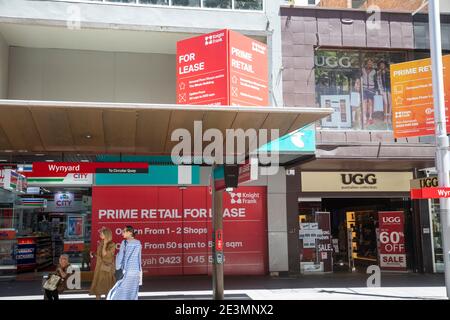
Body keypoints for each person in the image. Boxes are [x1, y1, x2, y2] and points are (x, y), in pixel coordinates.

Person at [107, 226, 142, 300]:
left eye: (124, 231)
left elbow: (120, 256)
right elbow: (139, 258)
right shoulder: (138, 243)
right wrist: (140, 271)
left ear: (130, 232)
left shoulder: (124, 243)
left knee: (121, 288)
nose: (122, 233)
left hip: (127, 270)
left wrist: (118, 267)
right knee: (133, 290)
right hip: (135, 271)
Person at [89, 227, 116, 300]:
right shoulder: (101, 242)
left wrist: (105, 244)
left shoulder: (112, 244)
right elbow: (100, 255)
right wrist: (93, 254)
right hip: (99, 268)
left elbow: (105, 254)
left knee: (107, 287)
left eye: (102, 233)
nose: (100, 234)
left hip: (106, 269)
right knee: (97, 287)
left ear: (106, 235)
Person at [361, 58, 378, 126]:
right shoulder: (362, 70)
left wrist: (376, 89)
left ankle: (370, 117)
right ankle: (364, 117)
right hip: (364, 88)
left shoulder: (374, 71)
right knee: (364, 103)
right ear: (366, 63)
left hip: (371, 88)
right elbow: (360, 78)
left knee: (370, 103)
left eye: (371, 63)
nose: (369, 64)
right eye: (368, 62)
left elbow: (376, 80)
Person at [376, 60, 392, 125]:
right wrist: (380, 90)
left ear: (385, 65)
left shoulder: (389, 71)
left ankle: (389, 118)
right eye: (380, 65)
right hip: (383, 89)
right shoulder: (378, 73)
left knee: (390, 103)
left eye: (383, 64)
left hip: (389, 89)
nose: (382, 65)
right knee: (385, 103)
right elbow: (378, 82)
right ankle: (385, 118)